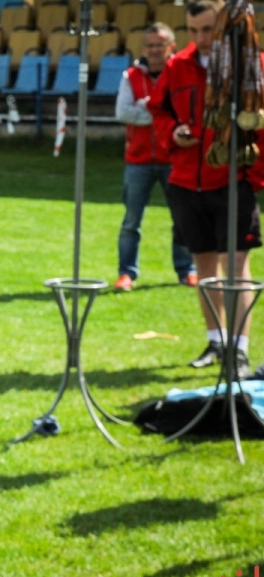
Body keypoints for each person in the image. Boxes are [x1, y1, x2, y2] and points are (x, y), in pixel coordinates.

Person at [148, 0, 263, 379]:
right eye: (193, 30)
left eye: (208, 29)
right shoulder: (178, 65)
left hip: (232, 183)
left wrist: (253, 176)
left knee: (237, 269)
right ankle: (216, 341)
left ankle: (239, 349)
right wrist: (173, 133)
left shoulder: (250, 66)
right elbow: (159, 111)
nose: (201, 38)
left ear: (225, 26)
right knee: (205, 269)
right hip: (185, 182)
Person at [113, 22, 197, 292]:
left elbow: (185, 113)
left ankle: (187, 270)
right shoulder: (130, 76)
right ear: (143, 48)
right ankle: (126, 274)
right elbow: (123, 112)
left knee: (182, 218)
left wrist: (145, 107)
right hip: (137, 160)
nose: (154, 50)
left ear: (172, 46)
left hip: (174, 158)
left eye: (159, 45)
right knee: (131, 222)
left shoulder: (182, 75)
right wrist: (160, 113)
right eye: (149, 45)